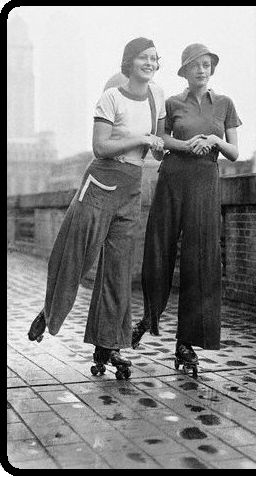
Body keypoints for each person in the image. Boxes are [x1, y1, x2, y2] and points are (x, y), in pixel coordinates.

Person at [28, 37, 166, 379]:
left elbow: (159, 146)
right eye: (143, 58)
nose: (150, 63)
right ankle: (50, 310)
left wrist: (177, 146)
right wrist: (142, 140)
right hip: (101, 183)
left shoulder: (156, 96)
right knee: (76, 254)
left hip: (132, 188)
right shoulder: (111, 96)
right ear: (129, 62)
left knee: (118, 272)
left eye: (154, 58)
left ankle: (110, 344)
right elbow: (101, 146)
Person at [132, 43, 242, 376]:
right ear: (184, 70)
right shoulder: (172, 103)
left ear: (212, 69)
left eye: (207, 65)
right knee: (158, 249)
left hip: (205, 182)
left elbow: (234, 152)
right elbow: (159, 143)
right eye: (195, 64)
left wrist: (213, 140)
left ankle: (186, 344)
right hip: (173, 178)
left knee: (201, 259)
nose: (202, 69)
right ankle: (149, 317)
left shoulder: (225, 104)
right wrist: (188, 144)